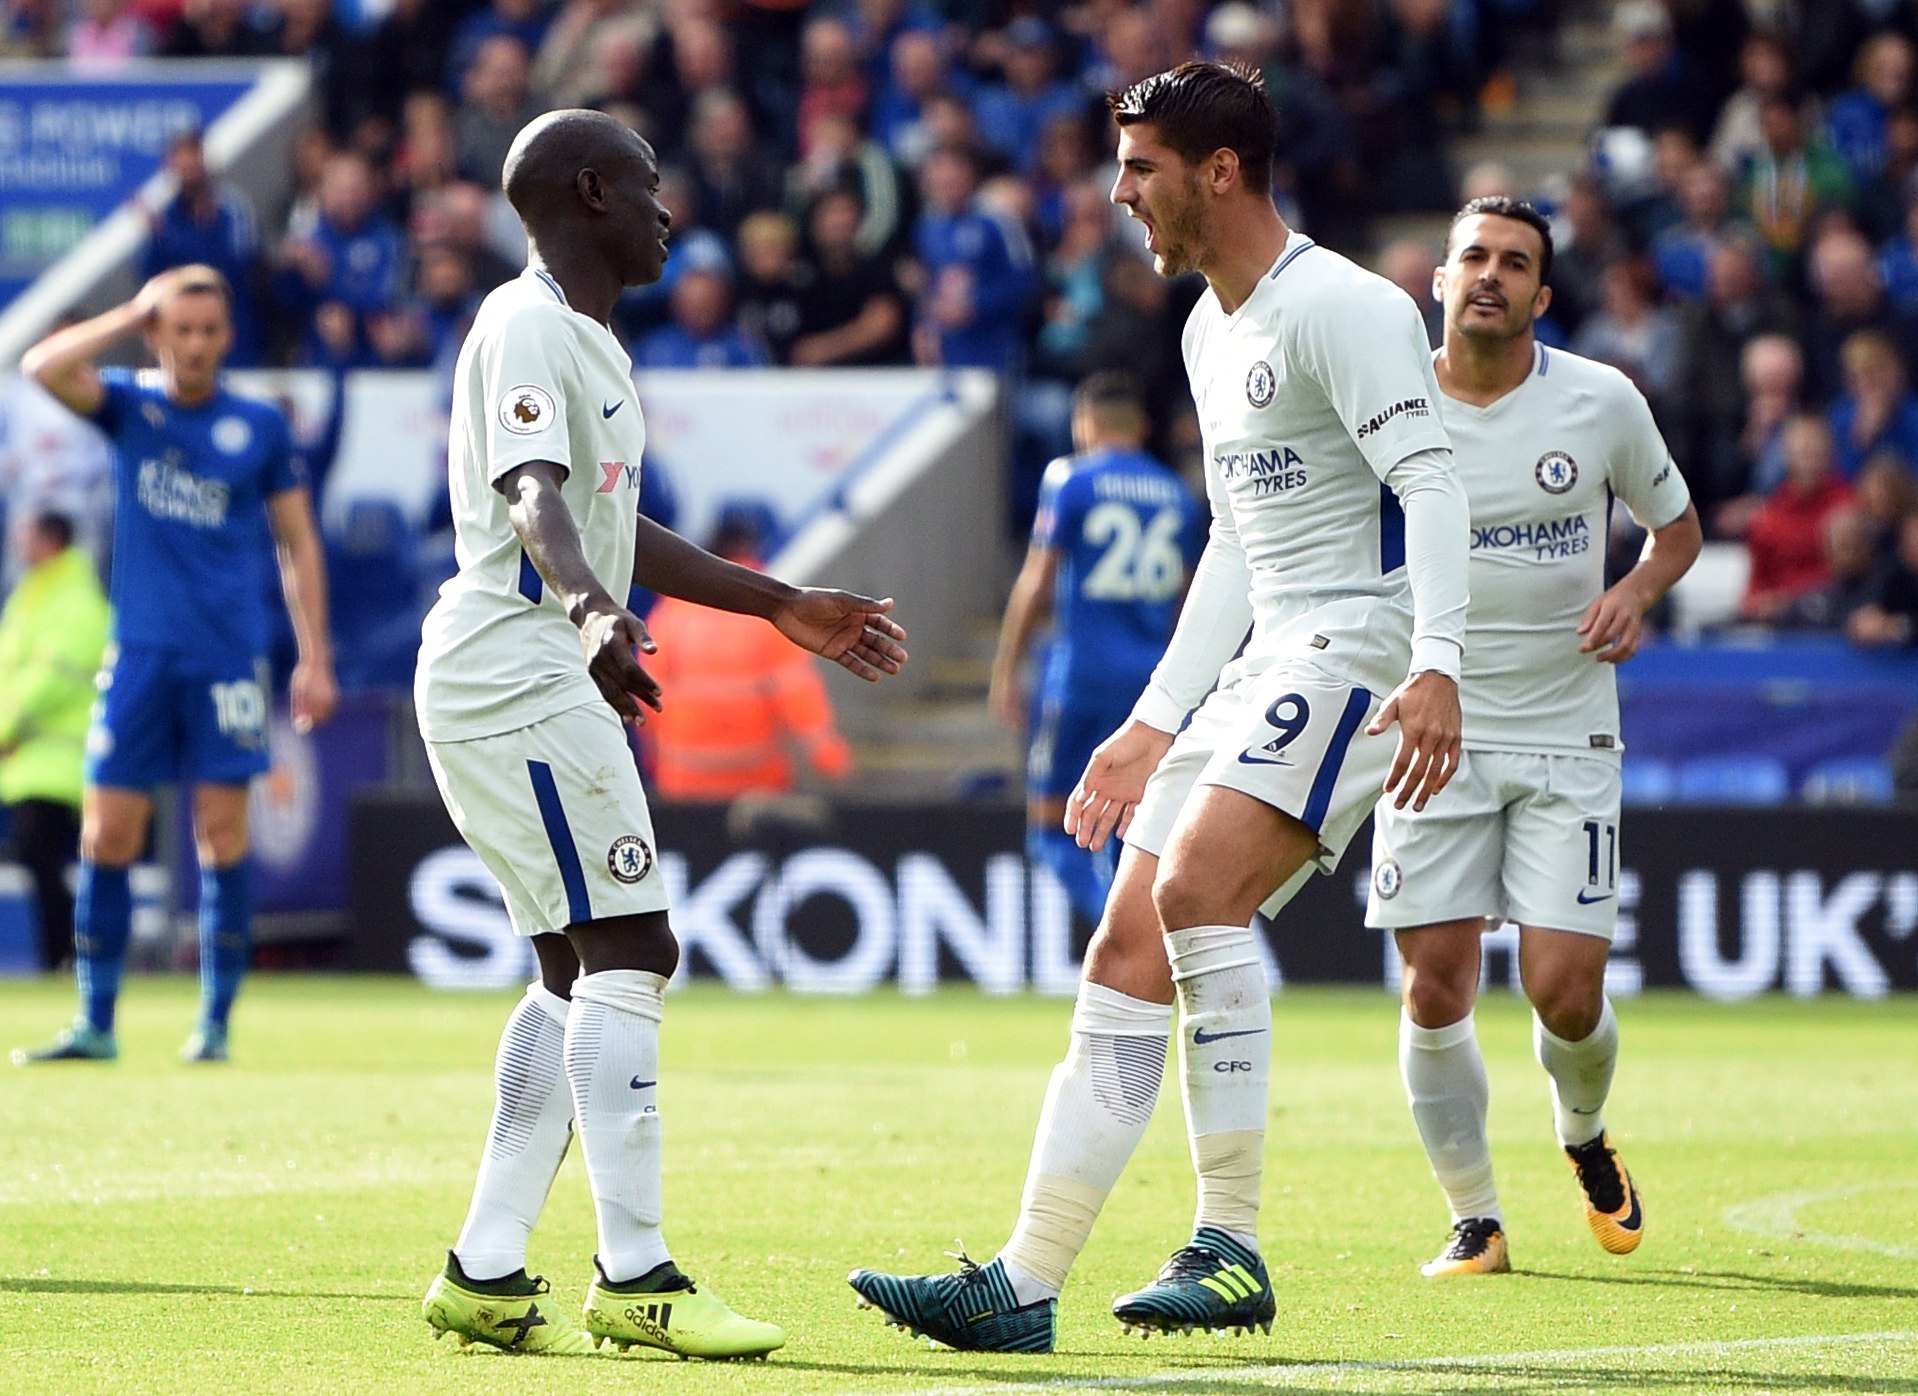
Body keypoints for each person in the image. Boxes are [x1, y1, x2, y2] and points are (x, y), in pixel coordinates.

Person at [849, 60, 1469, 1351]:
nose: (1117, 193)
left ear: (1217, 172)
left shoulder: (1340, 306)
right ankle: (1020, 1284)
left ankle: (1229, 1244)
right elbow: (1235, 551)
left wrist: (1437, 665)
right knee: (1124, 948)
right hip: (1263, 656)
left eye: (1138, 168)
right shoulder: (1203, 329)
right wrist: (1149, 720)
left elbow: (1434, 486)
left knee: (1192, 895)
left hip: (1355, 641)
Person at [413, 109, 907, 1360]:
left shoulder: (587, 340)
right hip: (516, 666)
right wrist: (585, 606)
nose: (666, 207)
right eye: (646, 183)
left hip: (516, 664)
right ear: (591, 193)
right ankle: (637, 1275)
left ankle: (484, 1264)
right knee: (634, 941)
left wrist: (783, 602)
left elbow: (620, 531)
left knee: (573, 966)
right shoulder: (529, 321)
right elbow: (535, 495)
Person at [1366, 197, 1701, 1278]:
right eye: (1473, 256)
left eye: (1514, 263)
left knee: (1564, 988)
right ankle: (1475, 1219)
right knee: (1435, 986)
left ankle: (1582, 1132)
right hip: (1431, 726)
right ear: (1439, 279)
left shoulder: (1600, 399)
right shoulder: (1383, 401)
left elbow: (1678, 526)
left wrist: (1638, 586)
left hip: (1565, 726)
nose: (1490, 275)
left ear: (1542, 296)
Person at [12, 264, 337, 1065]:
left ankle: (216, 1026)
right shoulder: (130, 405)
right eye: (180, 330)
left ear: (228, 338)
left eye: (209, 331)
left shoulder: (258, 426)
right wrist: (129, 309)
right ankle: (96, 1021)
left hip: (226, 655)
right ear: (159, 335)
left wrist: (315, 658)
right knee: (106, 835)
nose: (195, 345)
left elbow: (298, 542)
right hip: (140, 657)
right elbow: (40, 366)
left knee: (220, 834)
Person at [988, 371, 1203, 927]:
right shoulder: (1177, 494)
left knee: (1050, 830)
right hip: (1152, 685)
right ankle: (1144, 935)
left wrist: (1007, 668)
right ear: (1141, 427)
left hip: (1081, 677)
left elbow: (1039, 578)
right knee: (1131, 825)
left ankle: (1130, 935)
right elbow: (1188, 597)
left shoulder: (1070, 478)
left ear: (1085, 424)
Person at [641, 514, 854, 800]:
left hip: (683, 784)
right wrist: (832, 761)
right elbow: (798, 697)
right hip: (757, 787)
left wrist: (653, 763)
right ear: (748, 550)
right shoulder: (767, 614)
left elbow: (646, 696)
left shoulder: (671, 615)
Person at [0, 513, 109, 971]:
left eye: (26, 534)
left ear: (50, 540)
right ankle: (64, 955)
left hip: (59, 757)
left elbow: (49, 680)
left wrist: (4, 728)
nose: (18, 542)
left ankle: (68, 953)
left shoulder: (78, 601)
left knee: (43, 854)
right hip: (28, 757)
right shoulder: (32, 595)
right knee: (39, 857)